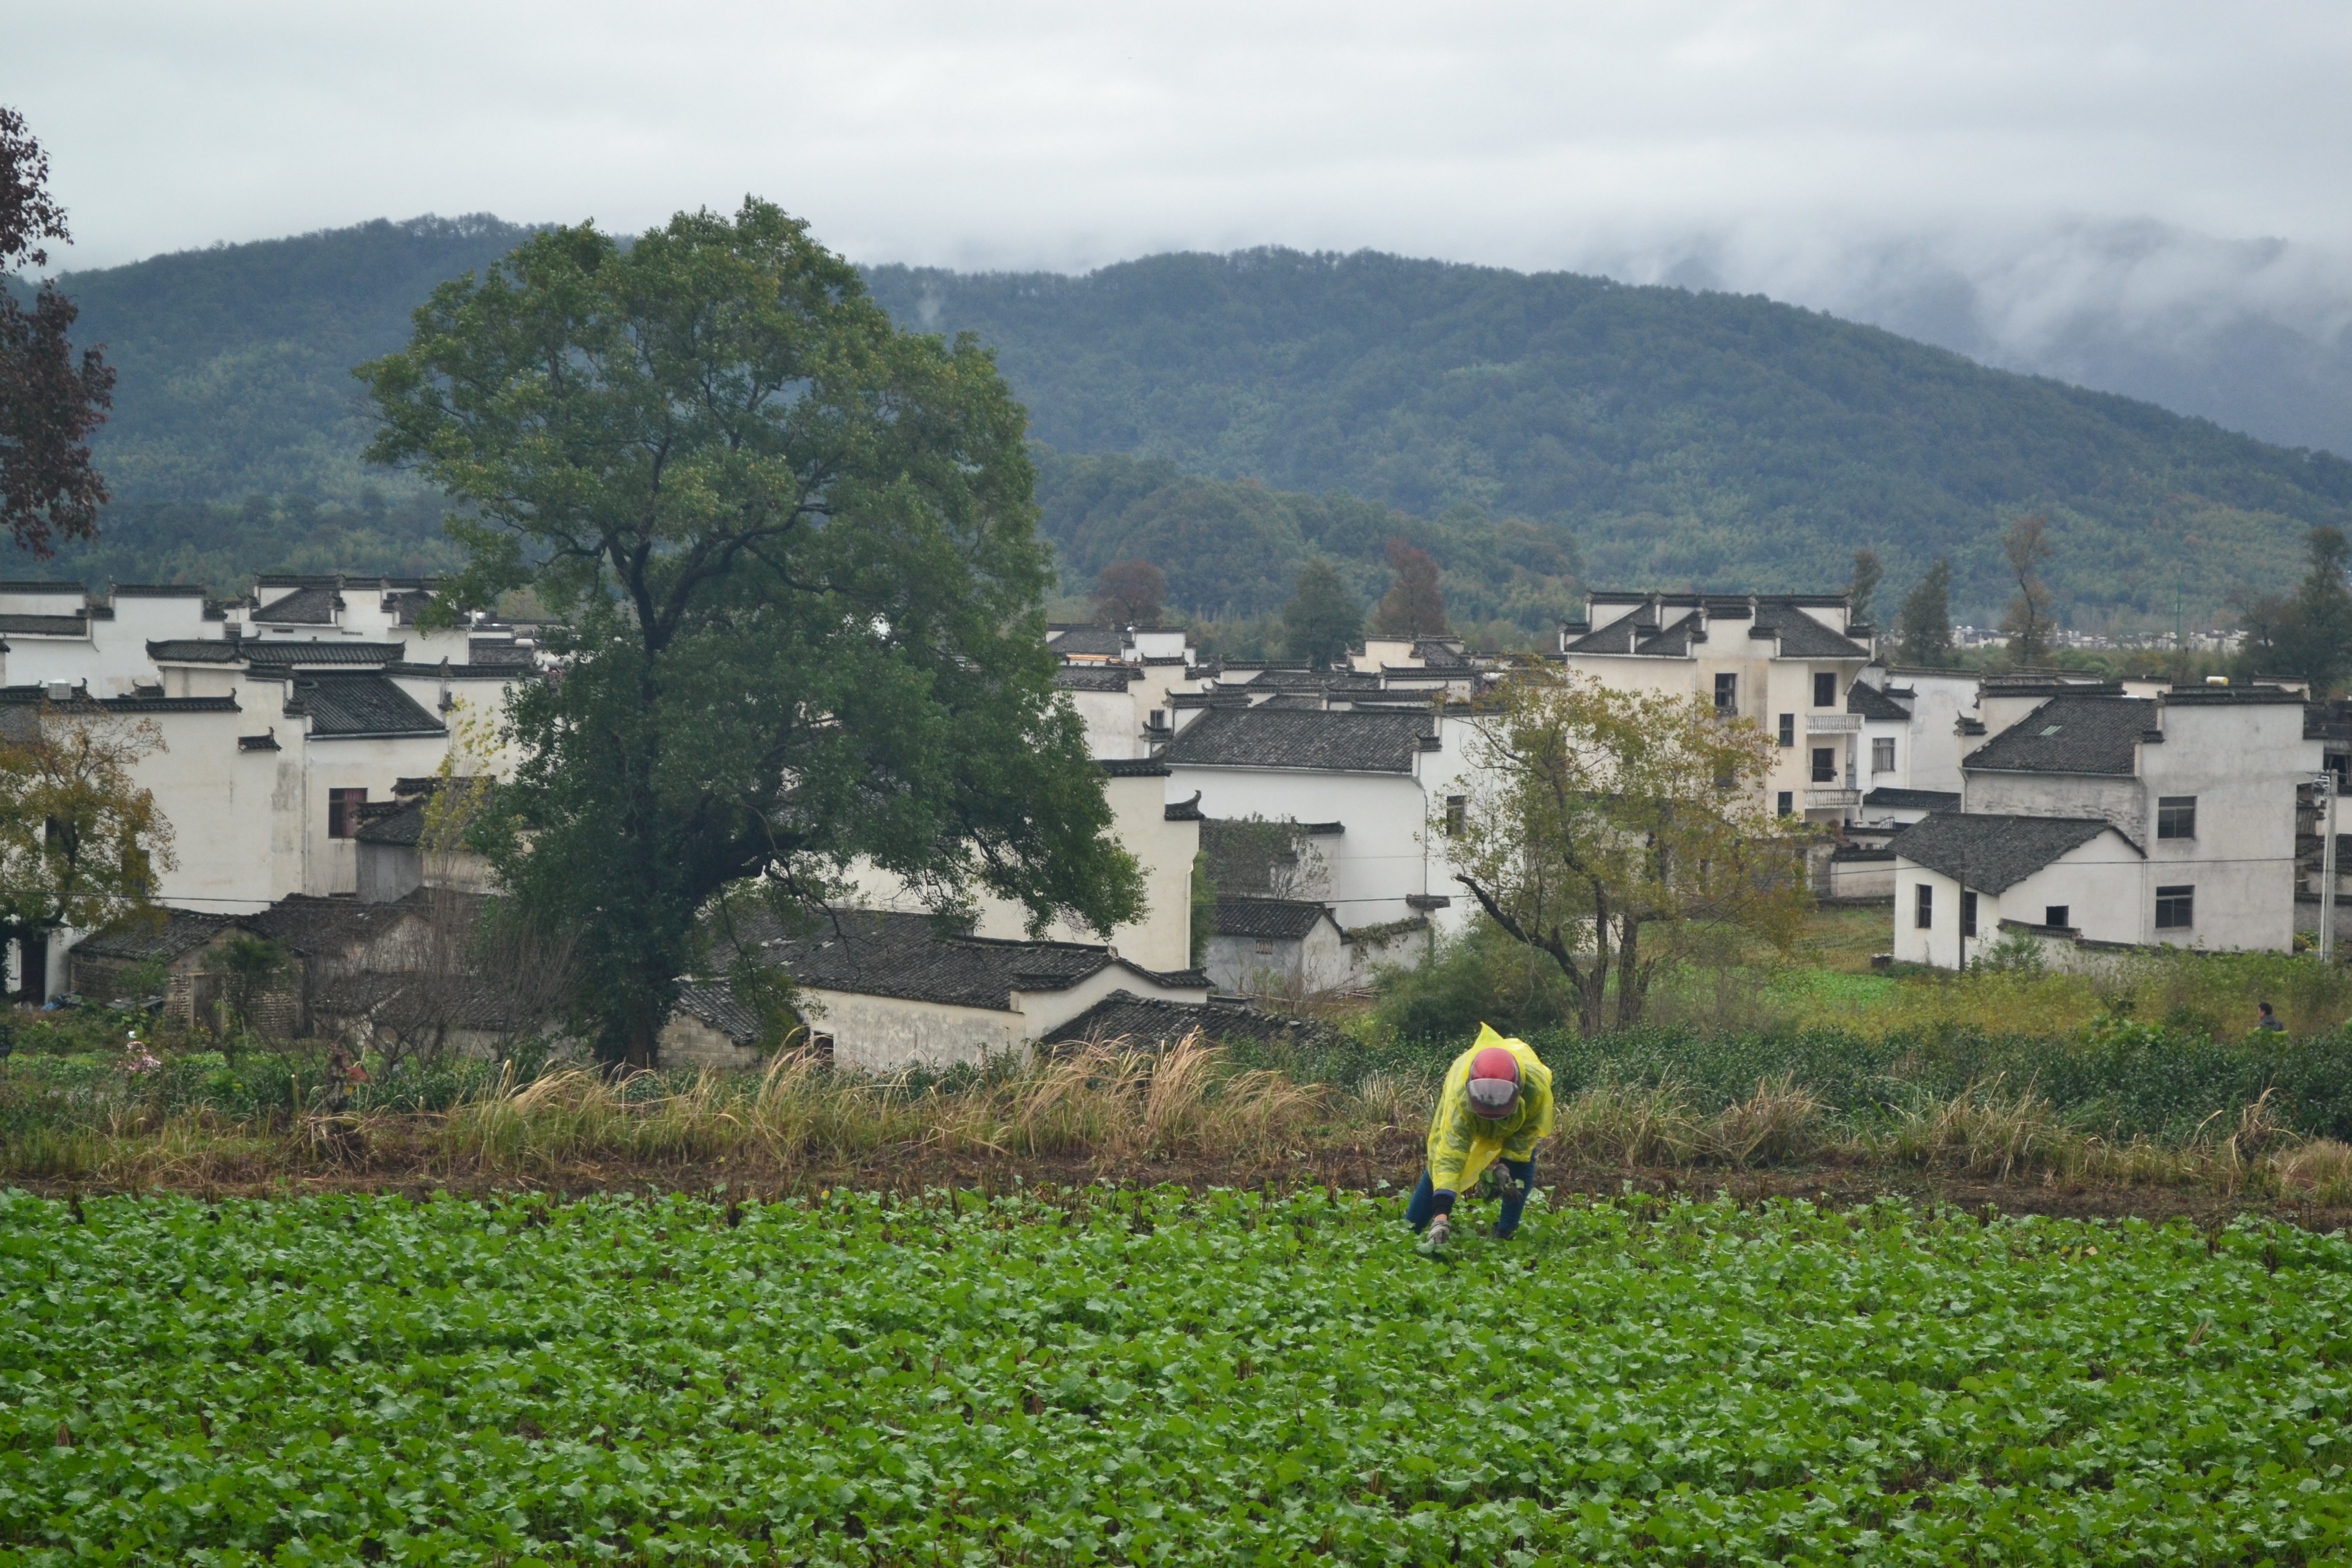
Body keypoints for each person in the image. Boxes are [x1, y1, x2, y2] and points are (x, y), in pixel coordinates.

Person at [1407, 1024, 1555, 1245]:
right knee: (1438, 1166)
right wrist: (1442, 1218)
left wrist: (1506, 1165)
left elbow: (1525, 1137)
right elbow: (1450, 1158)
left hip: (1516, 1121)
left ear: (1519, 1088)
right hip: (1468, 1114)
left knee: (1519, 1171)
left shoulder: (1535, 1090)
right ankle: (1410, 1230)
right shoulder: (1460, 1102)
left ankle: (1506, 1233)